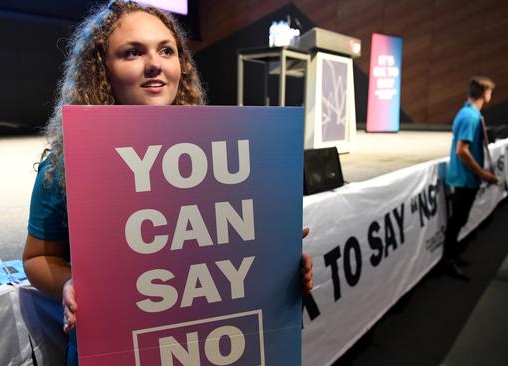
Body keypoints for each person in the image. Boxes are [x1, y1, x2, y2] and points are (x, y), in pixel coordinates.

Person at [21, 1, 314, 364]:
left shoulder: (224, 156)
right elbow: (38, 257)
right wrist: (69, 282)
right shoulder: (65, 164)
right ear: (102, 71)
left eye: (166, 50)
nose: (155, 64)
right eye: (132, 52)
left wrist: (276, 262)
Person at [444, 76, 498, 280]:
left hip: (465, 177)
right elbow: (462, 151)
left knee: (459, 219)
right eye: (490, 92)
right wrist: (482, 173)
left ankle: (453, 254)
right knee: (457, 220)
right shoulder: (471, 117)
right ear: (485, 94)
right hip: (465, 178)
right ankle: (449, 260)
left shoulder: (468, 113)